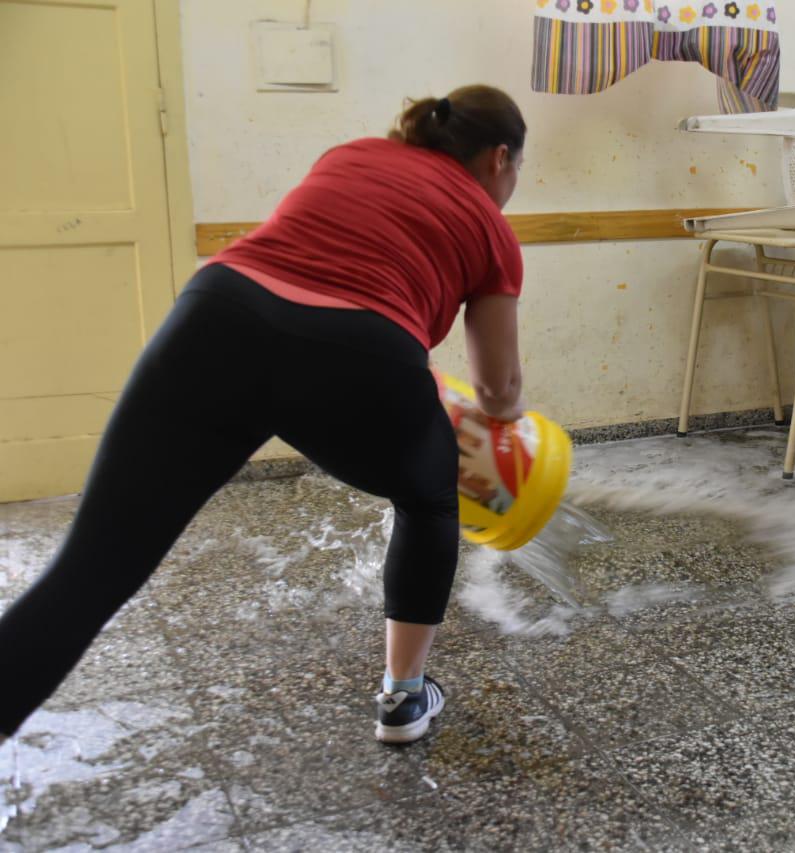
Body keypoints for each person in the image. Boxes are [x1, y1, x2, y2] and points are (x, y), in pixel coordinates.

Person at [0, 84, 527, 745]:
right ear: (499, 159)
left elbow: (321, 263)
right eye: (516, 174)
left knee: (90, 569)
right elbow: (497, 391)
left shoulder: (354, 154)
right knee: (429, 495)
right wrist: (511, 423)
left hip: (217, 318)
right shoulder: (490, 227)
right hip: (360, 352)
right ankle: (402, 695)